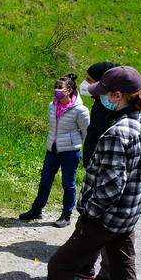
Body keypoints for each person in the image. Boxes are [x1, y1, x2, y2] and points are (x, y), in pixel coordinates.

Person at [20, 66, 141, 280]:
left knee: (60, 265)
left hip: (103, 220)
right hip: (128, 218)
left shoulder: (116, 134)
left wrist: (87, 216)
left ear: (117, 96)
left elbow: (110, 188)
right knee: (123, 272)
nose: (100, 98)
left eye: (103, 94)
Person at [18, 74, 90, 227]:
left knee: (68, 183)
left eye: (60, 88)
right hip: (52, 148)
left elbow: (86, 132)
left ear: (69, 90)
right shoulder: (52, 105)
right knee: (45, 180)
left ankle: (66, 215)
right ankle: (36, 210)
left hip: (70, 151)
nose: (56, 90)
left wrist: (77, 145)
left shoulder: (80, 110)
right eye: (55, 87)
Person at [76, 61, 120, 280]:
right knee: (90, 224)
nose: (87, 84)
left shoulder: (119, 116)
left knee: (103, 225)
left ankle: (106, 276)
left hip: (105, 173)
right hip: (94, 165)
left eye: (90, 80)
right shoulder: (101, 101)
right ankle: (87, 265)